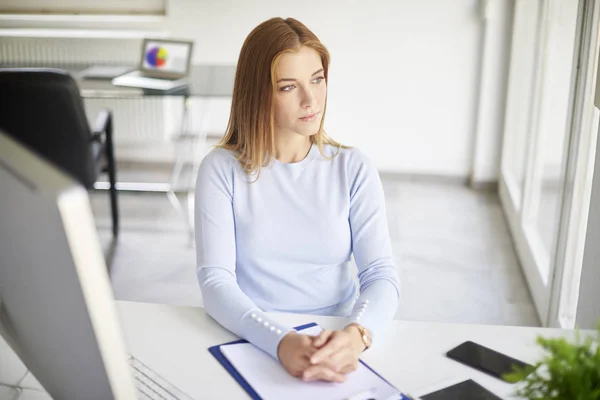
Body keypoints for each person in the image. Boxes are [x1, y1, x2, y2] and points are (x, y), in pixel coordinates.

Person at [194, 17, 399, 383]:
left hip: (337, 339)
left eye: (317, 79)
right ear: (257, 93)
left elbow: (380, 273)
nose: (311, 99)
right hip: (253, 337)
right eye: (288, 87)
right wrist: (280, 342)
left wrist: (357, 335)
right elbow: (216, 282)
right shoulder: (221, 170)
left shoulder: (353, 168)